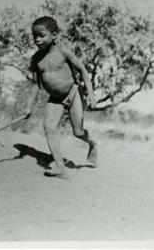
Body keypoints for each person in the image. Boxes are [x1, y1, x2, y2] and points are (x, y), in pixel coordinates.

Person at [23, 16, 98, 179]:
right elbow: (36, 84)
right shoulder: (36, 59)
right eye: (34, 36)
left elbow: (83, 71)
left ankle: (92, 144)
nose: (37, 39)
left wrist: (91, 95)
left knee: (78, 132)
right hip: (55, 99)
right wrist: (29, 106)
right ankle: (59, 166)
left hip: (73, 93)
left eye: (41, 35)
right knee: (49, 127)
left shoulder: (63, 51)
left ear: (54, 35)